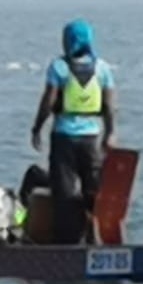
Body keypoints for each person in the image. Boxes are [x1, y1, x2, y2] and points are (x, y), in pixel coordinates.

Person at [32, 18, 116, 243]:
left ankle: (66, 241)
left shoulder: (58, 67)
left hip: (63, 136)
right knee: (93, 189)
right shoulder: (103, 68)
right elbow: (109, 105)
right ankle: (95, 236)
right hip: (91, 138)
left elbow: (49, 101)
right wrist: (110, 133)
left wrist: (37, 128)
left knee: (65, 192)